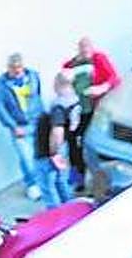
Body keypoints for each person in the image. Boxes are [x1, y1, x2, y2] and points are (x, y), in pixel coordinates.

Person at [61, 37, 120, 187]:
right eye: (83, 49)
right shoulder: (70, 65)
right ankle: (77, 176)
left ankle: (99, 177)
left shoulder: (99, 59)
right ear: (79, 49)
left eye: (88, 49)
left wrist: (102, 88)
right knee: (73, 141)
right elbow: (62, 84)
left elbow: (114, 78)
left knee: (93, 142)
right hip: (77, 109)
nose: (86, 52)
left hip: (95, 109)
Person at [0, 54, 44, 201]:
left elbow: (37, 96)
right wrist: (13, 126)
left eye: (19, 68)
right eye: (13, 68)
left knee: (40, 153)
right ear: (8, 68)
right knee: (26, 157)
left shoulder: (33, 76)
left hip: (36, 121)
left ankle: (43, 182)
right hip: (19, 126)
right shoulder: (2, 83)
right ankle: (32, 184)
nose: (16, 71)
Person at [32, 72, 79, 209]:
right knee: (61, 182)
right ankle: (71, 211)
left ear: (57, 84)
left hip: (48, 152)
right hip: (63, 147)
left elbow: (58, 131)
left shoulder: (58, 105)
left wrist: (53, 153)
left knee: (47, 187)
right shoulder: (74, 100)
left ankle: (56, 217)